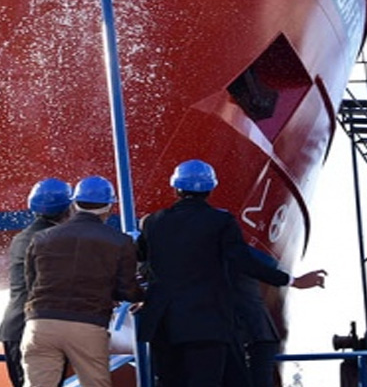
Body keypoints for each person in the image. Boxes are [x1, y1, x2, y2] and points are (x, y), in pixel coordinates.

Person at [137, 160, 326, 387]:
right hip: (206, 324)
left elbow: (139, 258)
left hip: (162, 324)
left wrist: (136, 294)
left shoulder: (154, 223)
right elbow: (243, 262)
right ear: (210, 189)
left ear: (176, 188)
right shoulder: (221, 221)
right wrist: (292, 280)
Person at [21, 176, 142, 387]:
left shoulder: (43, 238)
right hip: (87, 324)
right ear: (109, 207)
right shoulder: (120, 241)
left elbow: (31, 281)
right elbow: (127, 289)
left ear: (74, 204)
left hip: (40, 323)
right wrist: (142, 296)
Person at [0, 179, 73, 387]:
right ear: (69, 208)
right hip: (40, 331)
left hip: (15, 329)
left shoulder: (21, 238)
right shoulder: (60, 240)